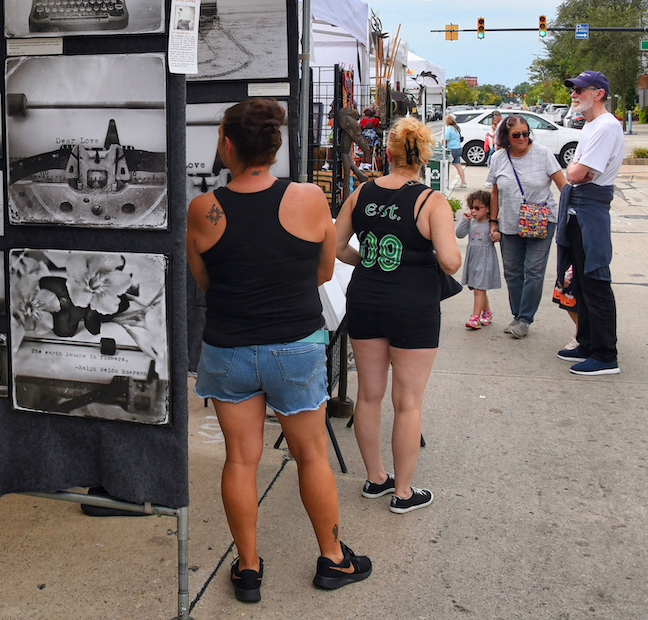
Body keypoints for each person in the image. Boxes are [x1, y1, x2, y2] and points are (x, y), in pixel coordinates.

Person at [188, 98, 371, 599]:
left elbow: (205, 281)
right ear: (274, 147)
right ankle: (333, 559)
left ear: (228, 145)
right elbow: (324, 272)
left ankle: (248, 569)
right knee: (311, 456)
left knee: (240, 460)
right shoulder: (308, 198)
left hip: (228, 349)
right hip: (295, 346)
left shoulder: (204, 209)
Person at [335, 117, 461, 514]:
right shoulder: (431, 202)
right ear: (424, 156)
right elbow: (451, 262)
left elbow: (336, 247)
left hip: (366, 300)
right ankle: (403, 493)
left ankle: (376, 478)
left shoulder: (361, 193)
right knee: (408, 402)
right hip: (414, 307)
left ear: (387, 152)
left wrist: (366, 261)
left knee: (368, 395)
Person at [555, 71, 625, 376]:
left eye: (580, 89)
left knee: (595, 280)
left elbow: (575, 173)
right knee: (581, 282)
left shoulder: (606, 127)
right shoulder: (592, 126)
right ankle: (586, 342)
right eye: (572, 89)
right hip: (578, 210)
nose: (573, 93)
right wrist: (576, 169)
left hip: (590, 212)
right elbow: (577, 172)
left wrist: (575, 167)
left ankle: (605, 354)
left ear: (598, 94)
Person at [487, 115, 566, 339]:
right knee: (512, 272)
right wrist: (493, 221)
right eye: (516, 135)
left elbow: (563, 186)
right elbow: (495, 192)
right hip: (510, 222)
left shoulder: (543, 154)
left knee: (533, 271)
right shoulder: (499, 158)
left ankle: (525, 319)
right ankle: (517, 315)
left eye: (525, 133)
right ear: (506, 137)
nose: (522, 138)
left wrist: (573, 214)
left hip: (542, 221)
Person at [455, 190, 499, 330]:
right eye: (471, 207)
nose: (473, 211)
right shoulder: (471, 222)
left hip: (485, 259)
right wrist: (465, 219)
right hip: (473, 258)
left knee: (479, 288)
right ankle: (486, 312)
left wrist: (497, 235)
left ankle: (475, 317)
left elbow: (499, 236)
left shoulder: (492, 224)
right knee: (478, 287)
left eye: (477, 208)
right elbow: (459, 234)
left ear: (488, 209)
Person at [443, 114, 466, 189]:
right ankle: (463, 182)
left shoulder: (448, 128)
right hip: (458, 148)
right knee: (458, 166)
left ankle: (445, 183)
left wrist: (443, 145)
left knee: (445, 165)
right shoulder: (457, 128)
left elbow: (445, 139)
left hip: (451, 149)